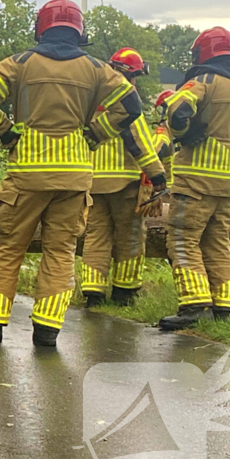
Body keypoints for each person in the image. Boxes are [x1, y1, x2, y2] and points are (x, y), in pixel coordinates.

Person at [0, 0, 166, 347]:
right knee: (61, 250)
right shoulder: (97, 68)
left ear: (41, 28)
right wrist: (95, 133)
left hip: (27, 171)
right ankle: (47, 329)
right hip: (74, 174)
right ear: (78, 30)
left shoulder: (20, 63)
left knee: (9, 245)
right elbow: (129, 104)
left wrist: (6, 132)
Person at [158, 27, 230, 330]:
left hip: (196, 178)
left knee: (183, 239)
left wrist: (186, 134)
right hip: (229, 181)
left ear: (203, 53)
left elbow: (176, 110)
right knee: (218, 241)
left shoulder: (203, 82)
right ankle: (223, 306)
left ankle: (195, 304)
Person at [79, 48, 156, 308]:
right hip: (125, 184)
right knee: (130, 236)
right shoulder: (126, 103)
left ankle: (93, 291)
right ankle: (125, 292)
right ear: (128, 76)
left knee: (96, 236)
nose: (135, 84)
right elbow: (141, 144)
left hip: (92, 184)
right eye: (135, 78)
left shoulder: (90, 103)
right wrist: (157, 179)